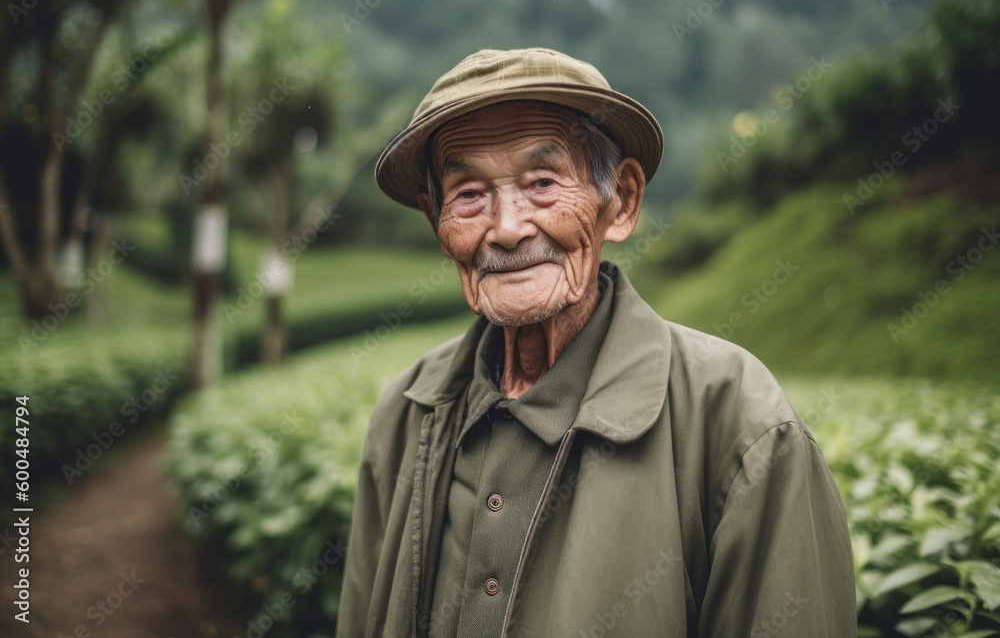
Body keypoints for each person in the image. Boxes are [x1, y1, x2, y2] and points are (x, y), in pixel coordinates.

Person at [337, 47, 856, 638]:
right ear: (437, 222)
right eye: (470, 194)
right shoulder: (405, 414)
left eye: (541, 182)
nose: (506, 229)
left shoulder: (738, 421)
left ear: (623, 201)